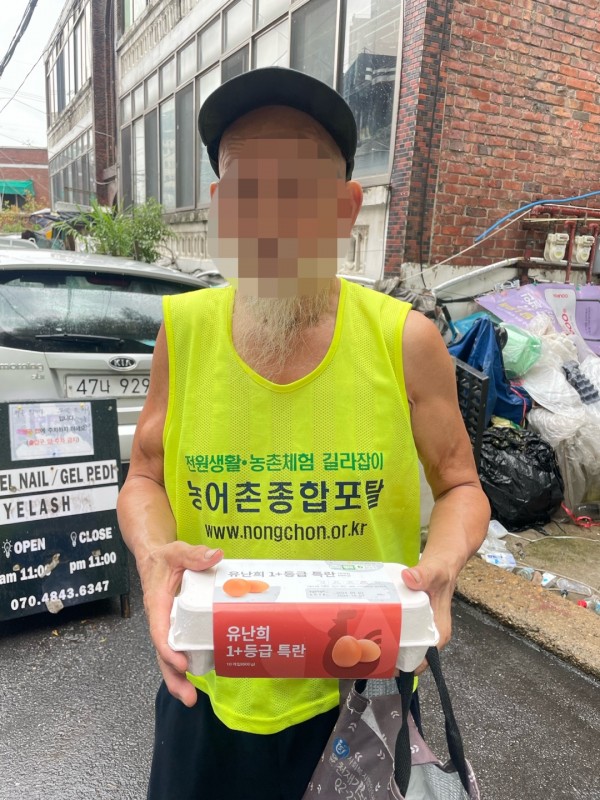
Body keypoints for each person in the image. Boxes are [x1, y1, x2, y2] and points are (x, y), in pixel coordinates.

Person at [117, 66, 490, 800]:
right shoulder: (183, 333)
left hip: (360, 697)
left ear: (345, 209)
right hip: (210, 690)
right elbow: (146, 477)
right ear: (221, 208)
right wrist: (155, 556)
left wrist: (443, 564)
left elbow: (461, 486)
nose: (270, 220)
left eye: (298, 190)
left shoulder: (405, 341)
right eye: (247, 191)